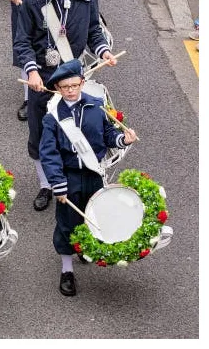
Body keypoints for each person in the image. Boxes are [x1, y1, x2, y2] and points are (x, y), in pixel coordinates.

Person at [13, 0, 117, 213]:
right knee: (40, 134)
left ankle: (81, 178)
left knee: (81, 129)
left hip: (73, 78)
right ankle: (46, 184)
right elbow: (22, 41)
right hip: (44, 78)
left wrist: (103, 50)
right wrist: (31, 71)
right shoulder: (32, 0)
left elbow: (94, 30)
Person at [39, 59, 137, 297]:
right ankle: (66, 270)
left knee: (92, 215)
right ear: (58, 89)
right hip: (69, 176)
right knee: (67, 222)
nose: (71, 90)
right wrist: (58, 185)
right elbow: (48, 154)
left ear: (82, 83)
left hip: (93, 173)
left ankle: (85, 247)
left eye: (74, 85)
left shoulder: (97, 106)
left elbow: (108, 134)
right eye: (65, 87)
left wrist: (123, 139)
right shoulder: (52, 118)